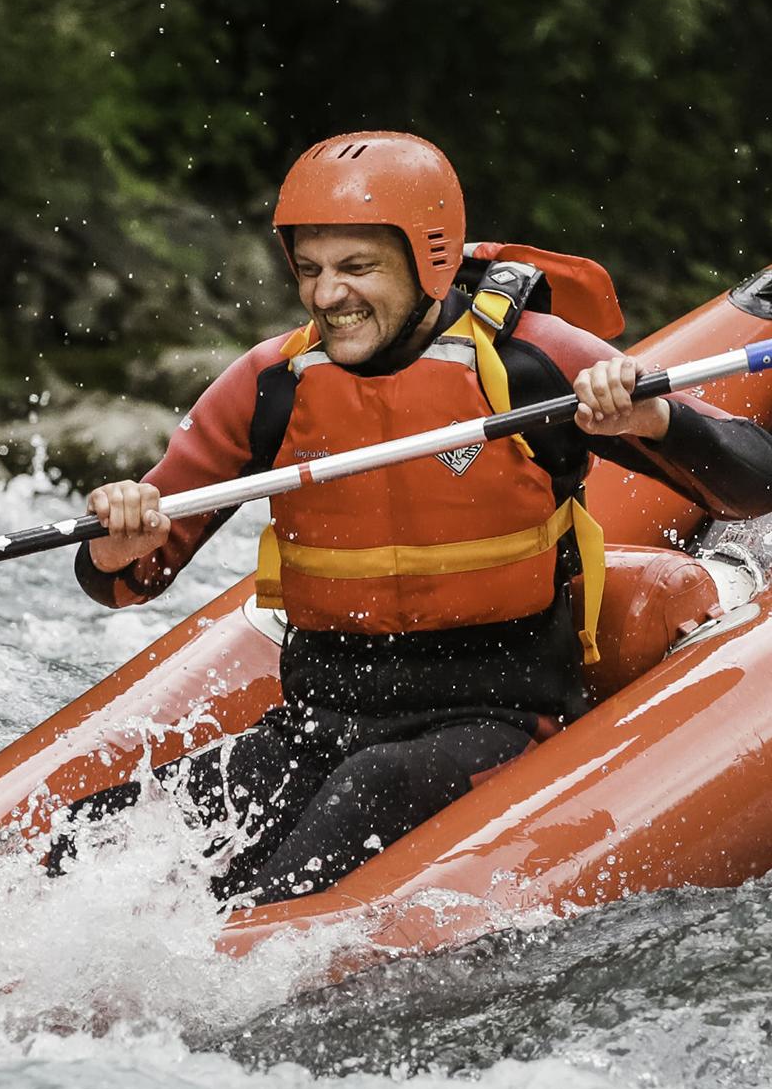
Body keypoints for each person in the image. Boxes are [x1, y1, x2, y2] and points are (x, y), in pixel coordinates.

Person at [70, 131, 772, 906]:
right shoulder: (271, 386)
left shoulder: (533, 360)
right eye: (309, 271)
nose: (327, 295)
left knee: (359, 798)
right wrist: (116, 543)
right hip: (314, 726)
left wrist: (653, 423)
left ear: (429, 261)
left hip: (496, 720)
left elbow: (753, 484)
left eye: (356, 268)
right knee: (94, 834)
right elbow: (127, 580)